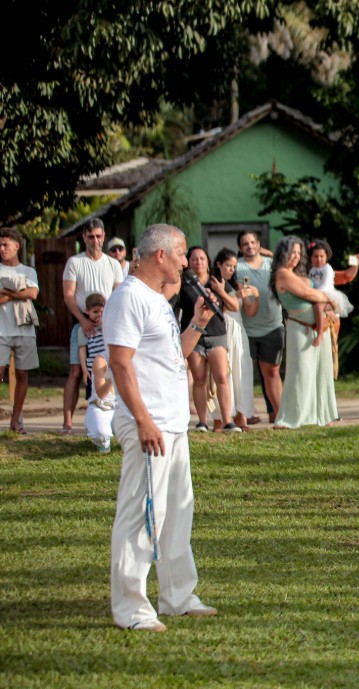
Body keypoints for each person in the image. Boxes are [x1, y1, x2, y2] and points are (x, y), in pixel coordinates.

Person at [105, 222, 219, 633]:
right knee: (141, 515)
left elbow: (174, 355)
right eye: (181, 254)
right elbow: (120, 363)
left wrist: (198, 323)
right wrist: (142, 420)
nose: (186, 262)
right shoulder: (128, 298)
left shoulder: (156, 299)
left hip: (173, 424)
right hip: (148, 424)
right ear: (160, 256)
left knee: (176, 514)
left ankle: (177, 596)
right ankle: (132, 608)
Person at [62, 218, 124, 435]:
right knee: (76, 370)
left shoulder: (113, 264)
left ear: (104, 236)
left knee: (109, 368)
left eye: (98, 236)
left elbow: (118, 295)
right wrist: (83, 319)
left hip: (107, 326)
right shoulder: (74, 263)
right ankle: (68, 422)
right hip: (82, 323)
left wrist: (106, 319)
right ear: (84, 238)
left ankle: (108, 416)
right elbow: (68, 295)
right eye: (90, 237)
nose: (95, 241)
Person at [271, 236, 337, 429]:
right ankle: (291, 417)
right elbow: (309, 294)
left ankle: (322, 415)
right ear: (284, 253)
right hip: (299, 327)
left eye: (299, 254)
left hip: (318, 327)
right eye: (292, 253)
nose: (296, 257)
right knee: (300, 371)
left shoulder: (296, 274)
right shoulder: (282, 274)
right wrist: (327, 298)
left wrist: (325, 301)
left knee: (321, 371)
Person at [177, 246, 239, 433]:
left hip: (217, 334)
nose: (198, 262)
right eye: (194, 259)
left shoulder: (216, 280)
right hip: (195, 337)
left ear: (208, 261)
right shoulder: (183, 283)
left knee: (222, 377)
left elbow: (235, 305)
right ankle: (202, 421)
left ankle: (227, 420)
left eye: (202, 258)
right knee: (199, 379)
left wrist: (221, 291)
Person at [235, 230, 283, 423]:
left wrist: (270, 254)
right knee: (243, 374)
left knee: (271, 372)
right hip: (246, 329)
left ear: (259, 244)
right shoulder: (237, 268)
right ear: (240, 248)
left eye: (253, 242)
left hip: (273, 325)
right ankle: (244, 415)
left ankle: (280, 415)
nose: (250, 246)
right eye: (245, 244)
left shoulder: (272, 265)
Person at [0, 227, 39, 434]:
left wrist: (6, 292)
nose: (1, 248)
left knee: (23, 374)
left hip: (24, 329)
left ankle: (16, 420)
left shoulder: (28, 271)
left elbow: (32, 293)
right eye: (0, 245)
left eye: (5, 244)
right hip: (1, 330)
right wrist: (18, 292)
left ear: (17, 246)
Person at [214, 249, 257, 431]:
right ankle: (220, 419)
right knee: (225, 373)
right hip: (223, 327)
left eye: (233, 266)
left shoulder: (236, 285)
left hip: (239, 329)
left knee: (242, 371)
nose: (231, 269)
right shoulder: (215, 283)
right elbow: (224, 306)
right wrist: (228, 295)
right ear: (219, 265)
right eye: (227, 265)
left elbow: (249, 310)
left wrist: (254, 296)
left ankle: (242, 416)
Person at [79, 294, 116, 452]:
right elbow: (82, 349)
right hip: (96, 368)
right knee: (96, 399)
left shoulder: (108, 324)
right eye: (95, 312)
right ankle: (97, 427)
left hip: (108, 364)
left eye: (102, 311)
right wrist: (84, 369)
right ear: (87, 312)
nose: (99, 315)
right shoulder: (85, 329)